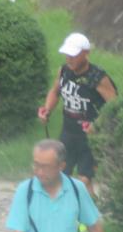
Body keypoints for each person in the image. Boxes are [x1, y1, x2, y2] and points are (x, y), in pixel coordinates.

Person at [37, 32, 117, 196]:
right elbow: (55, 92)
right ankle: (64, 216)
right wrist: (47, 110)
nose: (69, 59)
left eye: (73, 55)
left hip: (90, 135)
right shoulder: (64, 71)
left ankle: (90, 220)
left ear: (86, 53)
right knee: (59, 175)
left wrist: (98, 124)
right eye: (67, 54)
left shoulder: (97, 77)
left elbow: (115, 104)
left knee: (84, 181)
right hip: (68, 131)